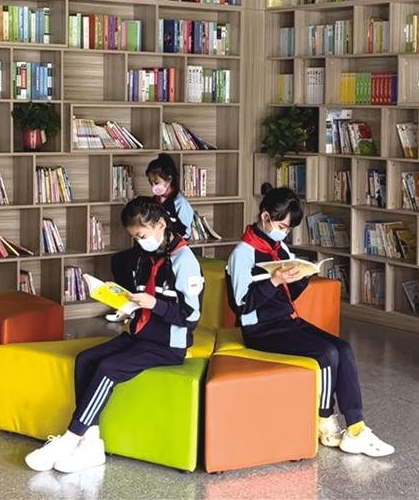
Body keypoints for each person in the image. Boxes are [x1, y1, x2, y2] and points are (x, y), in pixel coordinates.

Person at [25, 197, 202, 474]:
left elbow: (190, 316)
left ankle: (68, 439)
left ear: (160, 225)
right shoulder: (144, 257)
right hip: (139, 334)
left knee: (108, 368)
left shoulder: (184, 260)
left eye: (142, 235)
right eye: (135, 237)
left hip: (168, 344)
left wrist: (155, 304)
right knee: (85, 359)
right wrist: (127, 307)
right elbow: (140, 296)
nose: (139, 241)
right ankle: (91, 444)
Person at [225, 184, 394, 457]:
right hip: (259, 330)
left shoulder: (280, 248)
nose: (284, 233)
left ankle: (356, 428)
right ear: (265, 217)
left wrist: (301, 278)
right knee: (326, 354)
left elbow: (288, 296)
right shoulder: (242, 254)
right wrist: (274, 280)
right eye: (281, 226)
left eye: (288, 229)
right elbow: (242, 305)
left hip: (287, 321)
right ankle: (325, 421)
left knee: (343, 348)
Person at [146, 154, 194, 239]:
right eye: (150, 182)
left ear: (169, 179)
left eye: (156, 183)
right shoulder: (154, 200)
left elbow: (185, 233)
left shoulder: (180, 203)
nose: (153, 186)